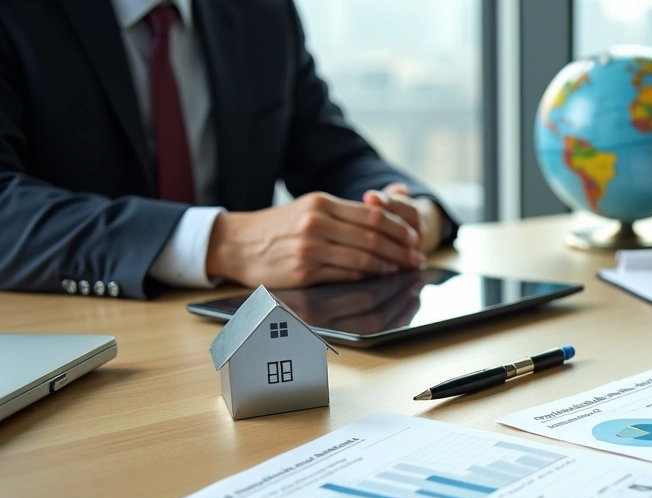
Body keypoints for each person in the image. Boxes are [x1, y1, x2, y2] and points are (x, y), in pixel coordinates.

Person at [0, 0, 457, 300]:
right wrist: (222, 241)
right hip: (82, 342)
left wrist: (407, 214)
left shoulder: (262, 12)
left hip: (249, 331)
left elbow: (336, 154)